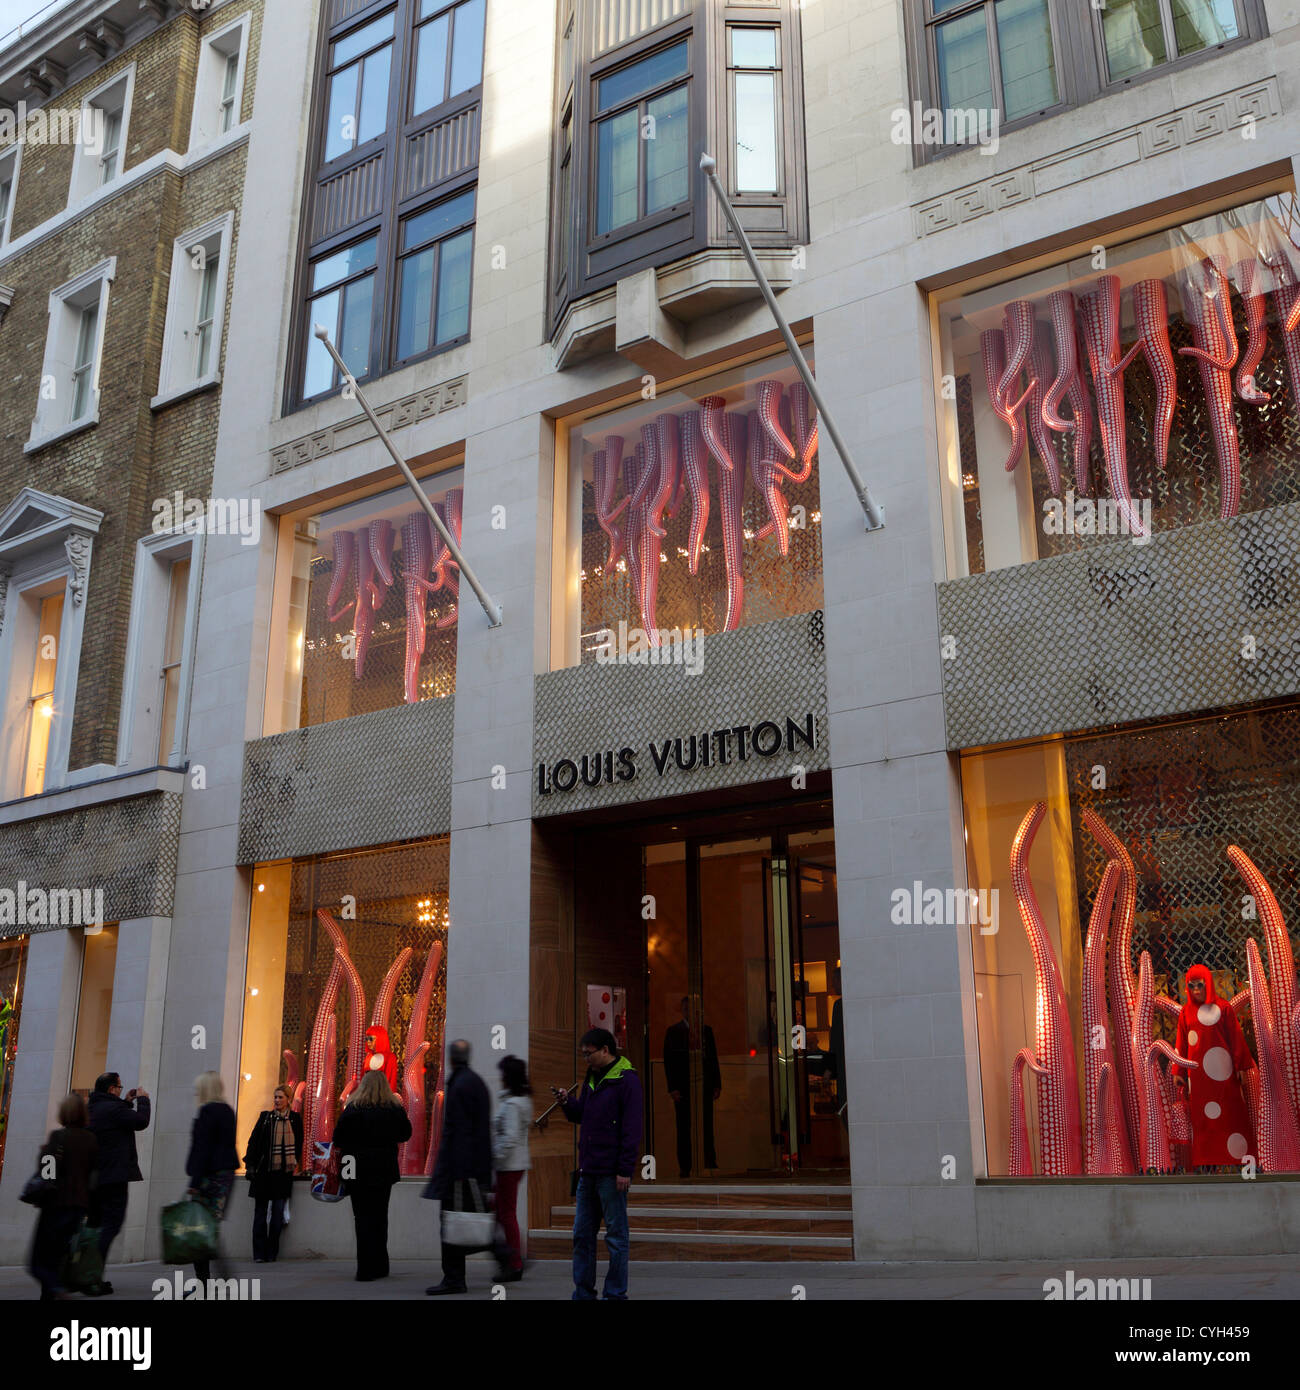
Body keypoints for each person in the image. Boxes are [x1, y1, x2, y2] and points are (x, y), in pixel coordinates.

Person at [552, 1027, 643, 1301]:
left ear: (606, 1050)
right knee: (582, 1235)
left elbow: (632, 1128)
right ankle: (583, 1292)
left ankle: (615, 1293)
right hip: (587, 1171)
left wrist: (625, 1169)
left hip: (610, 1173)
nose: (586, 1059)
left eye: (589, 1054)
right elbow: (584, 1116)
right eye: (583, 1055)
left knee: (616, 1237)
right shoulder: (592, 1078)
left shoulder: (627, 1081)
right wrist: (568, 1103)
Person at [1173, 964, 1257, 1171]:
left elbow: (1235, 1037)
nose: (1196, 991)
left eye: (1199, 985)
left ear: (1208, 984)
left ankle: (1241, 1164)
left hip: (1223, 1073)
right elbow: (1181, 1043)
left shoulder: (1224, 1008)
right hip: (1198, 1078)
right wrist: (1179, 1070)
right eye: (1191, 986)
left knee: (1230, 1114)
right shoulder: (1186, 1013)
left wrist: (1240, 1065)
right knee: (1203, 1121)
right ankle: (1207, 1164)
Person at [331, 1069, 412, 1281]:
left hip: (356, 1170)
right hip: (383, 1169)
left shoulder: (353, 1109)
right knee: (379, 1216)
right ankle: (381, 1264)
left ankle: (365, 1268)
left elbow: (338, 1138)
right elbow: (406, 1133)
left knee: (362, 1218)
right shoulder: (392, 1108)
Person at [425, 1038, 491, 1296]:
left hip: (458, 1170)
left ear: (451, 1059)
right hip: (469, 1167)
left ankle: (454, 1277)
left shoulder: (460, 1085)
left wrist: (457, 1172)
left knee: (451, 1223)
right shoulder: (475, 1082)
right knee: (464, 1220)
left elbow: (458, 1132)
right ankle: (503, 1255)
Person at [27, 1093, 98, 1300]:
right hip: (79, 1206)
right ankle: (54, 1290)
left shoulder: (58, 1138)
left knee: (38, 1261)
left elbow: (47, 1173)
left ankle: (56, 1290)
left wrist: (44, 1154)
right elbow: (94, 1175)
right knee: (58, 1257)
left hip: (55, 1206)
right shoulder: (91, 1139)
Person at [87, 1070, 150, 1293]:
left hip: (95, 1178)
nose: (122, 1090)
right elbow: (141, 1122)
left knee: (95, 1226)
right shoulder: (112, 1109)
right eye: (120, 1087)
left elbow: (116, 1118)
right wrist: (143, 1100)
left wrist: (125, 1102)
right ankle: (92, 1276)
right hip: (114, 1177)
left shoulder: (93, 1107)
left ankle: (86, 1272)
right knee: (111, 1226)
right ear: (111, 1089)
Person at [185, 1072, 238, 1292]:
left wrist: (194, 1182)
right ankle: (216, 1279)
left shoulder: (206, 1112)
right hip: (225, 1176)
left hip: (208, 1177)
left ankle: (206, 1282)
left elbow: (202, 1150)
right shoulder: (227, 1111)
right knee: (209, 1228)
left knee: (201, 1230)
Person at [243, 1083, 303, 1263]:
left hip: (282, 1174)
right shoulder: (265, 1118)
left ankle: (271, 1253)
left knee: (277, 1216)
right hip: (264, 1172)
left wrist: (294, 1163)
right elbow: (253, 1142)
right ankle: (259, 1254)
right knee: (260, 1215)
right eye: (275, 1097)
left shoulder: (294, 1119)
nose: (277, 1100)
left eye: (280, 1097)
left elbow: (298, 1143)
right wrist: (250, 1165)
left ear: (288, 1100)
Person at [663, 996, 720, 1178]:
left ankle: (709, 1162)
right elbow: (669, 1062)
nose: (690, 1012)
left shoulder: (706, 1031)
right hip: (682, 1086)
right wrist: (672, 1087)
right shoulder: (673, 1032)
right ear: (683, 1010)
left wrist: (717, 1083)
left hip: (703, 1084)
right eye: (687, 1009)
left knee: (706, 1125)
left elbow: (713, 1059)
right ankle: (685, 1166)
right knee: (683, 1127)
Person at [492, 1055, 532, 1282]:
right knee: (503, 1212)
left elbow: (509, 1138)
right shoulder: (518, 1101)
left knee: (505, 1215)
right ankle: (512, 1257)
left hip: (508, 1166)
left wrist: (495, 1158)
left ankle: (514, 1261)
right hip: (513, 1165)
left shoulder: (513, 1105)